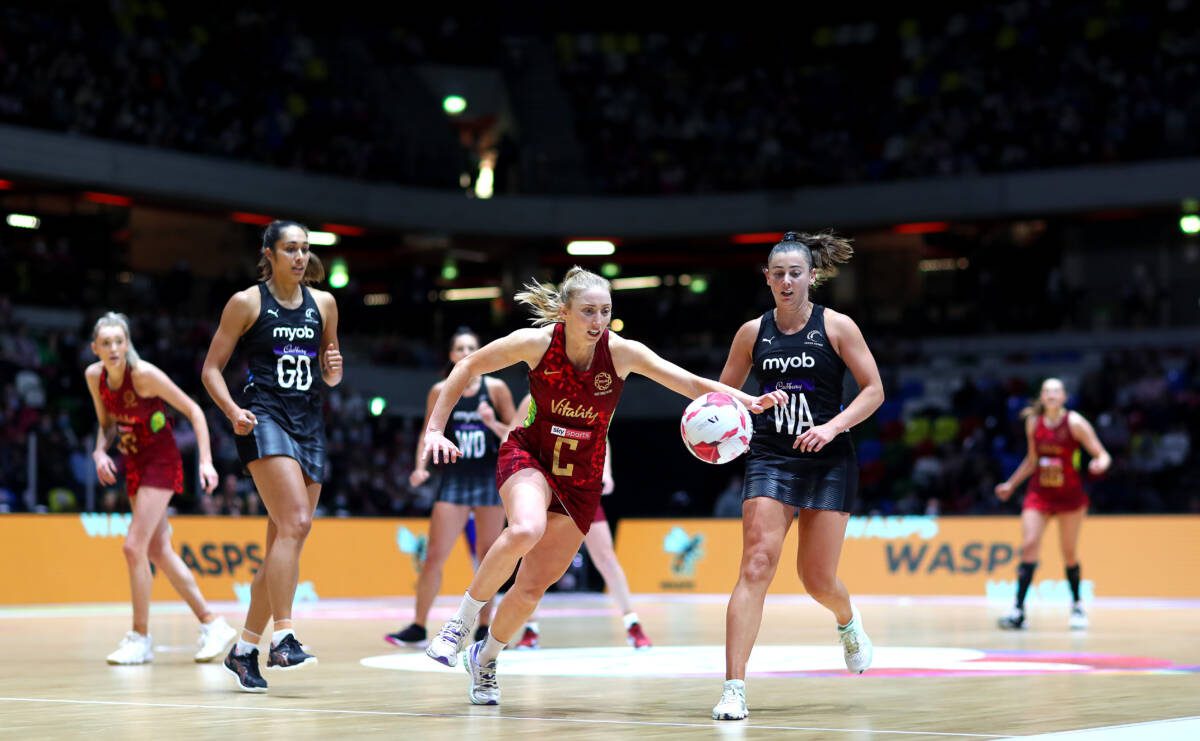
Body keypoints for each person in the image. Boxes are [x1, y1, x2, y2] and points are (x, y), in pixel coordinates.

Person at [421, 266, 786, 706]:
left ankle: (487, 656)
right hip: (529, 456)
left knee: (532, 587)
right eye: (588, 311)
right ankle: (459, 625)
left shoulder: (621, 353)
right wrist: (435, 429)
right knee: (524, 528)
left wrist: (743, 399)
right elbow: (468, 365)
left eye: (605, 311)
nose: (598, 321)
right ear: (565, 312)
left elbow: (686, 381)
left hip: (581, 479)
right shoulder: (537, 344)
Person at [712, 231, 884, 722]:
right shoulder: (751, 333)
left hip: (829, 457)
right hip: (770, 455)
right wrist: (749, 404)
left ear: (812, 277)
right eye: (778, 274)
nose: (786, 281)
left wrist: (831, 427)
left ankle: (847, 621)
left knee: (816, 579)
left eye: (795, 273)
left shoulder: (838, 326)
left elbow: (873, 390)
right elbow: (722, 396)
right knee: (756, 564)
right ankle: (734, 688)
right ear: (767, 279)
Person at [201, 220, 342, 692]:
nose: (300, 257)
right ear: (270, 253)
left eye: (305, 249)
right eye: (291, 249)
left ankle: (243, 651)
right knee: (296, 524)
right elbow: (211, 370)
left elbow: (330, 370)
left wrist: (334, 369)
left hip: (309, 424)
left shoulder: (324, 304)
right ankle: (283, 636)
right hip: (264, 420)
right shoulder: (246, 303)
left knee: (284, 541)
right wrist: (232, 410)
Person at [85, 312, 237, 665]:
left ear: (127, 344)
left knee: (132, 547)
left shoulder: (144, 376)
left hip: (162, 462)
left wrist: (205, 461)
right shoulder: (95, 377)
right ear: (95, 348)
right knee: (157, 550)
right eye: (105, 343)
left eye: (119, 341)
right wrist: (98, 452)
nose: (113, 348)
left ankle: (139, 637)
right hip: (134, 463)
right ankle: (212, 623)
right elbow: (106, 423)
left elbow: (194, 410)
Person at [385, 328, 516, 649]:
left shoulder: (495, 388)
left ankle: (484, 627)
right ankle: (418, 625)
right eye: (459, 347)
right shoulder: (441, 390)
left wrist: (491, 423)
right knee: (434, 557)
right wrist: (420, 467)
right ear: (451, 354)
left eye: (472, 347)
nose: (465, 351)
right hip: (454, 481)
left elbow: (515, 433)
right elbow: (428, 430)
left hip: (489, 479)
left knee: (488, 557)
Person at [506, 395, 652, 651]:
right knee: (532, 557)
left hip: (581, 488)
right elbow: (512, 436)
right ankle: (530, 628)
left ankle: (633, 623)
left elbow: (601, 437)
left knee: (605, 557)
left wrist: (607, 473)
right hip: (546, 488)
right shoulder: (534, 397)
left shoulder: (589, 395)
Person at [994, 377, 1111, 631]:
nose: (1051, 395)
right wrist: (1011, 484)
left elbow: (1102, 454)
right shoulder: (1033, 423)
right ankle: (1018, 610)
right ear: (1042, 397)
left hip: (1070, 497)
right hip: (1039, 494)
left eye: (1056, 391)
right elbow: (1032, 460)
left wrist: (1100, 463)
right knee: (1029, 546)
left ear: (1064, 397)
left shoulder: (1075, 423)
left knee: (1068, 553)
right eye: (1047, 391)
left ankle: (1078, 606)